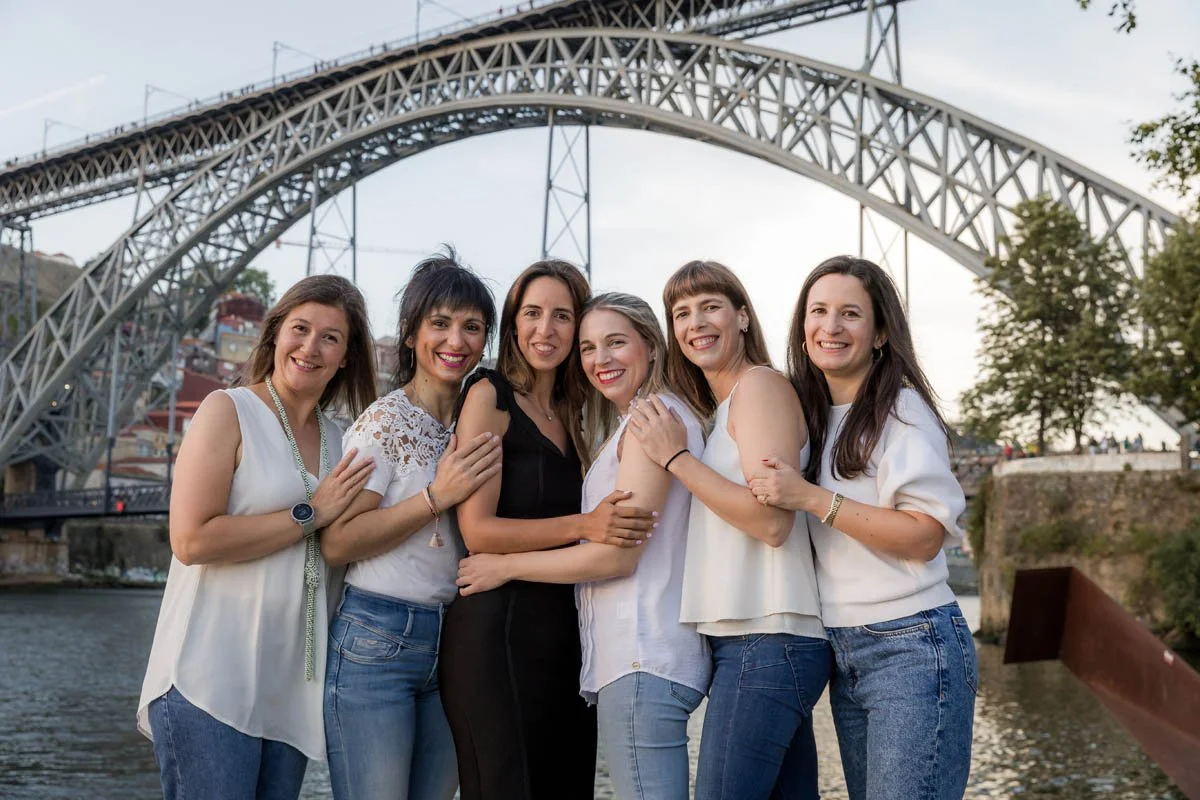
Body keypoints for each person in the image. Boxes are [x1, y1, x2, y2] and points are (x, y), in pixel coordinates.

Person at [455, 292, 710, 800]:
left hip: (641, 656)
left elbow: (617, 553)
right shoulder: (632, 423)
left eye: (616, 343)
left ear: (653, 347)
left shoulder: (648, 423)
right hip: (634, 658)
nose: (600, 359)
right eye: (590, 347)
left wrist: (506, 566)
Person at [137, 274, 379, 800]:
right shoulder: (228, 410)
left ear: (346, 356)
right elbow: (192, 540)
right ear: (274, 335)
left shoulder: (345, 440)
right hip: (210, 679)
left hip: (288, 691)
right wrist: (309, 514)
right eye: (300, 329)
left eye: (330, 338)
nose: (310, 347)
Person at [748, 255, 976, 800]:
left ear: (879, 333)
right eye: (818, 311)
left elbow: (924, 535)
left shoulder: (902, 411)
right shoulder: (810, 415)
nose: (831, 326)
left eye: (850, 314)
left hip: (912, 645)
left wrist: (811, 498)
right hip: (843, 649)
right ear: (801, 329)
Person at [627, 260, 831, 800]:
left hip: (767, 638)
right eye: (682, 313)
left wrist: (675, 458)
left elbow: (771, 521)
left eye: (710, 306)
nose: (696, 322)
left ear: (742, 316)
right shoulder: (723, 408)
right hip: (752, 640)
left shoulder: (760, 386)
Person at [320, 253, 503, 800]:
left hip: (451, 642)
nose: (457, 340)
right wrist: (434, 497)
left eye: (472, 327)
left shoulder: (471, 421)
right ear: (409, 333)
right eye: (440, 323)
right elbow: (337, 541)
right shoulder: (384, 423)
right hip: (376, 640)